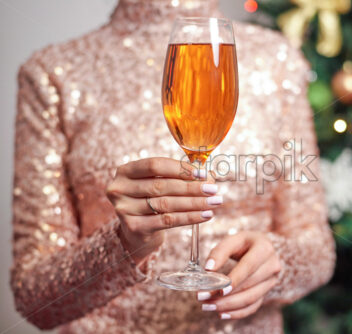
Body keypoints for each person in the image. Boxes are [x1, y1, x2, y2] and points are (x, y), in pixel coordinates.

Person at [10, 0, 335, 333]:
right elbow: (34, 300)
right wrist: (122, 246)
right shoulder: (53, 71)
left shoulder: (277, 59)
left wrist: (277, 263)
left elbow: (318, 249)